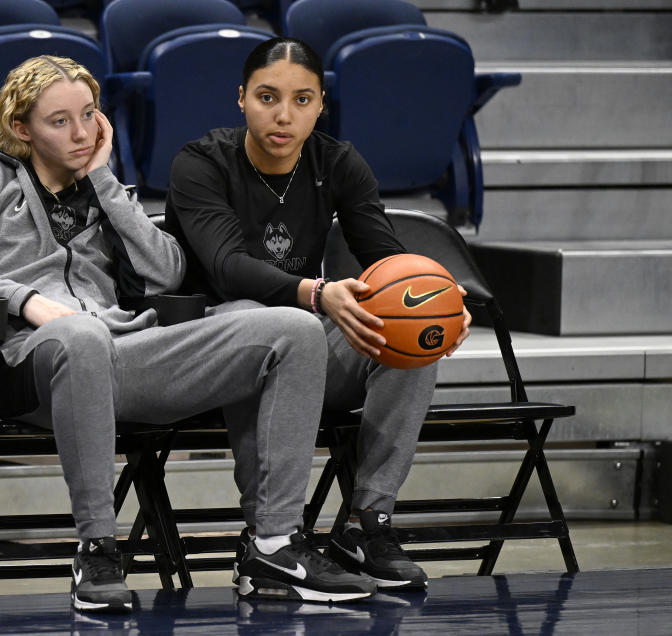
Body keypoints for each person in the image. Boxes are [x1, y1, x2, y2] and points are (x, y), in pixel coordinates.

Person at [0, 55, 377, 612]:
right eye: (59, 121)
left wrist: (103, 180)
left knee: (293, 328)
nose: (80, 133)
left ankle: (273, 543)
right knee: (80, 336)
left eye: (88, 115)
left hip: (125, 352)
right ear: (21, 127)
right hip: (34, 367)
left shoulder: (102, 186)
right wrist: (27, 302)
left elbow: (167, 272)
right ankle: (97, 548)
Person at [165, 37, 472, 591]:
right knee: (269, 320)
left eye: (302, 100)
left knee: (407, 339)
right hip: (214, 353)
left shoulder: (338, 162)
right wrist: (316, 291)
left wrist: (439, 306)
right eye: (267, 97)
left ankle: (365, 523)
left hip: (305, 346)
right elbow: (228, 265)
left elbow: (388, 258)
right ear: (241, 99)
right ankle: (270, 538)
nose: (284, 115)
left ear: (321, 105)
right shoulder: (201, 162)